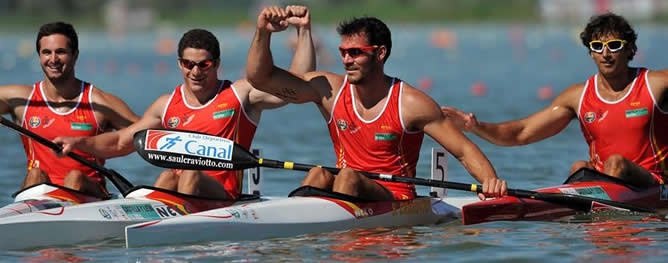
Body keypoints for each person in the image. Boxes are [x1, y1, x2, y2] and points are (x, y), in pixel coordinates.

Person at [245, 8, 507, 201]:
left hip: (396, 198)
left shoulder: (412, 103)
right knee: (319, 174)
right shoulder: (329, 91)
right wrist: (263, 33)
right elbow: (261, 78)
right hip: (348, 190)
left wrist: (491, 185)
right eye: (343, 52)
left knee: (346, 175)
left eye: (356, 52)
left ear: (380, 53)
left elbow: (462, 149)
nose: (347, 60)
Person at [55, 5, 316, 199]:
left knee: (186, 174)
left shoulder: (240, 95)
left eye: (204, 64)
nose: (195, 72)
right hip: (179, 193)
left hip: (223, 195)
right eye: (188, 64)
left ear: (216, 64)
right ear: (180, 64)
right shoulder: (165, 105)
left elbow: (298, 86)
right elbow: (121, 141)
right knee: (168, 175)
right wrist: (79, 143)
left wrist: (303, 30)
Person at [442, 12, 667, 187]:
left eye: (614, 46)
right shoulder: (578, 97)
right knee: (579, 167)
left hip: (653, 183)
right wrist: (474, 126)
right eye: (597, 47)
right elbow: (522, 132)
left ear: (630, 50)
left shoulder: (655, 84)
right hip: (606, 184)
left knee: (615, 163)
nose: (605, 54)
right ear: (590, 53)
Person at [0, 22, 139, 198]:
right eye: (46, 52)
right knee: (35, 174)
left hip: (89, 193)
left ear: (75, 56)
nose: (53, 59)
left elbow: (144, 132)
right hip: (40, 194)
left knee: (75, 177)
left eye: (61, 52)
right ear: (39, 56)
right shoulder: (22, 101)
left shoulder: (99, 103)